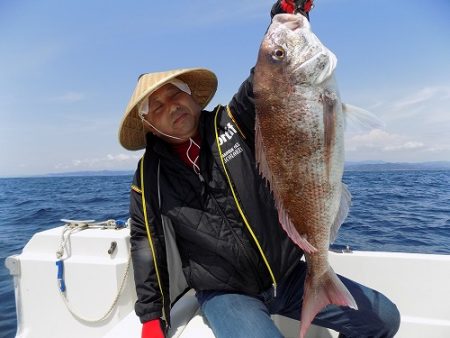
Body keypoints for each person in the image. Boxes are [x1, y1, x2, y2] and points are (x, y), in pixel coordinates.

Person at [118, 1, 401, 337]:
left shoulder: (234, 121)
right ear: (149, 125)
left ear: (194, 98)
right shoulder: (150, 176)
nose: (171, 106)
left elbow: (270, 87)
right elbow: (145, 245)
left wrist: (286, 21)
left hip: (288, 274)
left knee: (384, 319)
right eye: (157, 106)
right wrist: (151, 317)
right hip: (226, 293)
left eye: (176, 94)